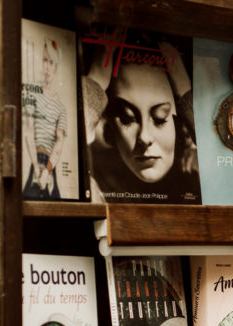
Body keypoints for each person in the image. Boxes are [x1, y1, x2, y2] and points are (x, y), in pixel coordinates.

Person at [81, 32, 200, 203]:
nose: (144, 137)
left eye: (159, 118)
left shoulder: (200, 176)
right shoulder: (98, 184)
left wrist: (185, 92)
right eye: (127, 119)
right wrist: (97, 79)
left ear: (182, 121)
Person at [23, 38, 68, 199]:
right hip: (36, 160)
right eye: (44, 61)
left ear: (56, 66)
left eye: (51, 62)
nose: (47, 66)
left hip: (50, 165)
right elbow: (28, 131)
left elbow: (59, 141)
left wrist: (47, 171)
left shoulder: (61, 107)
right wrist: (36, 166)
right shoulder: (32, 93)